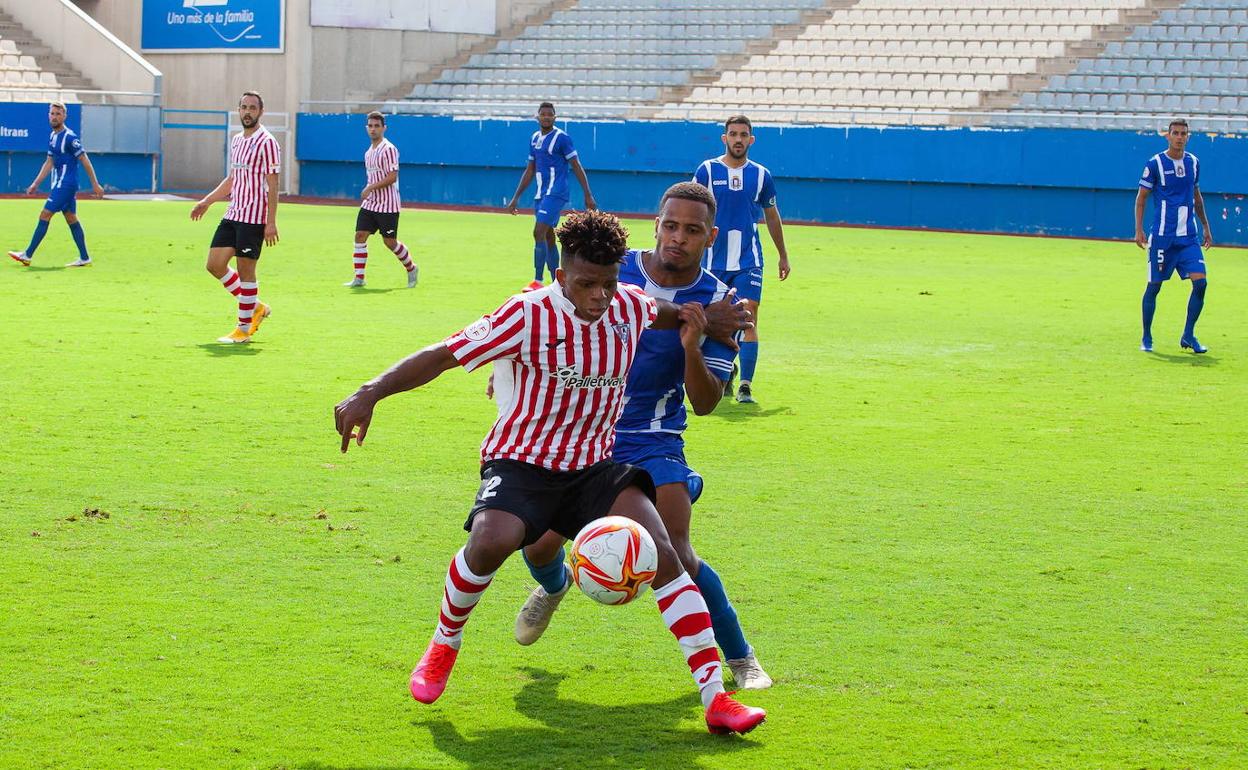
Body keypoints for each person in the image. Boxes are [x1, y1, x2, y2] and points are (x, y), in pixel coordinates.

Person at [334, 210, 765, 735]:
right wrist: (369, 392)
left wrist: (704, 319)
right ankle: (444, 644)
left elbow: (663, 310)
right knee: (493, 541)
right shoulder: (526, 313)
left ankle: (717, 698)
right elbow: (443, 355)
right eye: (586, 284)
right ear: (561, 277)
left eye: (608, 284)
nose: (599, 297)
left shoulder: (627, 305)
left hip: (594, 467)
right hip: (522, 461)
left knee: (665, 554)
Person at [511, 182, 773, 690]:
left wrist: (692, 345)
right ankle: (556, 583)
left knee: (675, 549)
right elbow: (545, 312)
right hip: (581, 427)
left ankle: (739, 658)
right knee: (538, 546)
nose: (678, 238)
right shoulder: (612, 266)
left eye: (692, 230)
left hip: (653, 436)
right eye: (670, 226)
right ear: (656, 225)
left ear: (710, 236)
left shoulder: (721, 304)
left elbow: (704, 402)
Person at [694, 114, 792, 404]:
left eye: (743, 134)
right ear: (724, 138)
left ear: (751, 139)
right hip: (711, 261)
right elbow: (692, 207)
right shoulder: (707, 171)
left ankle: (746, 385)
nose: (738, 139)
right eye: (733, 134)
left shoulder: (762, 175)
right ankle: (724, 370)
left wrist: (783, 255)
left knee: (748, 316)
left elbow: (771, 215)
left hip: (749, 260)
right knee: (708, 320)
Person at [190, 91, 280, 344]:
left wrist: (271, 222)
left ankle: (243, 329)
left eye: (252, 107)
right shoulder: (237, 140)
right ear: (238, 110)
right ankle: (256, 307)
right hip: (233, 213)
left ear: (261, 111)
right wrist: (207, 201)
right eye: (243, 107)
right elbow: (232, 179)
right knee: (214, 265)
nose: (247, 112)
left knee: (245, 270)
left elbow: (273, 184)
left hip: (254, 216)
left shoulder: (267, 142)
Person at [1134, 118, 1213, 354]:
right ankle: (1147, 336)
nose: (1180, 137)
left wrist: (1206, 227)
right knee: (1154, 287)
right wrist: (1138, 229)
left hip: (1188, 237)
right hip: (1162, 238)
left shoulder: (1194, 163)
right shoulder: (1155, 163)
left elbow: (1197, 197)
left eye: (1184, 133)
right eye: (1176, 133)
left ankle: (1188, 335)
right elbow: (1141, 198)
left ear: (1188, 136)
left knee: (1201, 283)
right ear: (1168, 135)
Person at [505, 102, 597, 291]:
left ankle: (537, 281)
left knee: (537, 231)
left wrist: (588, 194)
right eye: (543, 114)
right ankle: (558, 281)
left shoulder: (562, 138)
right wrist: (516, 197)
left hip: (556, 192)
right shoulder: (534, 138)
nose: (546, 117)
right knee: (547, 236)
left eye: (550, 114)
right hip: (541, 193)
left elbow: (576, 165)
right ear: (537, 116)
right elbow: (530, 169)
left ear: (555, 117)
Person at [8, 102, 105, 268]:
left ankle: (27, 254)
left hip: (66, 184)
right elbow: (49, 162)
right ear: (48, 116)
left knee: (45, 214)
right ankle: (85, 257)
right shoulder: (53, 136)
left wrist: (95, 184)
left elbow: (84, 159)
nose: (54, 117)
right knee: (71, 218)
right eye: (52, 114)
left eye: (58, 114)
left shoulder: (70, 137)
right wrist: (35, 183)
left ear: (64, 116)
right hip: (60, 184)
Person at [345, 111, 417, 289]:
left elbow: (392, 177)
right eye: (370, 126)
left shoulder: (389, 149)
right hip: (371, 203)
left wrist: (370, 187)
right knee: (360, 236)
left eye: (377, 126)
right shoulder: (369, 152)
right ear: (366, 128)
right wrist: (370, 190)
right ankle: (359, 278)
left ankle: (411, 268)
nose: (373, 129)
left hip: (388, 205)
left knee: (389, 242)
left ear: (384, 128)